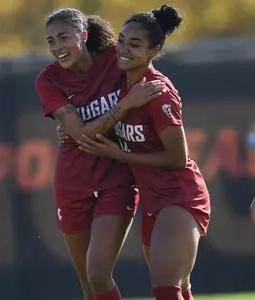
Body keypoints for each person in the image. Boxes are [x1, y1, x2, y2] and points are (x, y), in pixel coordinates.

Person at [76, 5, 210, 300]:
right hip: (152, 199)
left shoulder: (157, 91)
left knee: (165, 287)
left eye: (135, 44)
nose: (123, 49)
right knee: (178, 288)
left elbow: (178, 158)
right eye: (121, 40)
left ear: (154, 50)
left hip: (179, 195)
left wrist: (122, 157)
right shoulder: (121, 86)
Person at [35, 8, 168, 300]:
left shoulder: (114, 58)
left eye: (64, 37)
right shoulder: (48, 80)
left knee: (98, 274)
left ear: (83, 36)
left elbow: (146, 70)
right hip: (73, 183)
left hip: (116, 179)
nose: (57, 47)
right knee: (88, 284)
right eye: (50, 41)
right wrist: (123, 107)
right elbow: (80, 134)